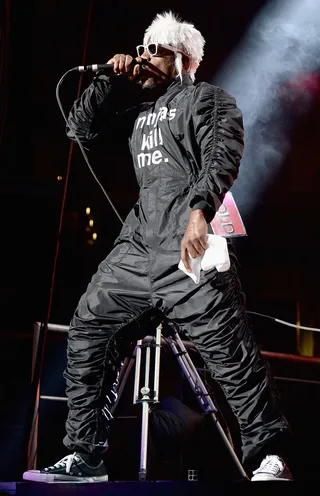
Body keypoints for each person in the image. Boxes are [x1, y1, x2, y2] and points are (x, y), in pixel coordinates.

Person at [23, 11, 293, 483]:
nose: (145, 57)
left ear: (182, 58)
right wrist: (110, 80)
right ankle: (86, 455)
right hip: (137, 246)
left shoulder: (208, 100)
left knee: (229, 351)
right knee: (89, 326)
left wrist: (199, 209)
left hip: (187, 244)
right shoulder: (136, 112)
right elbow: (79, 130)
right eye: (142, 49)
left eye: (155, 51)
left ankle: (269, 455)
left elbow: (223, 153)